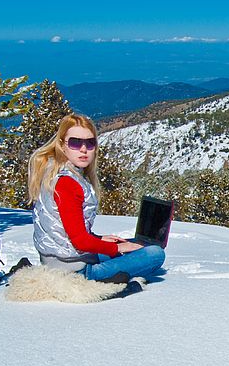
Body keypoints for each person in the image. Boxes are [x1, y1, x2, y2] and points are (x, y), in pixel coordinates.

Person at [27, 113, 165, 284]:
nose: (84, 149)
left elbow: (67, 233)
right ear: (62, 145)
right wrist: (117, 248)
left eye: (90, 143)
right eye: (76, 142)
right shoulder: (67, 183)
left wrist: (99, 239)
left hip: (62, 259)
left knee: (135, 246)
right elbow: (80, 242)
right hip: (74, 272)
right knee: (155, 254)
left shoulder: (59, 173)